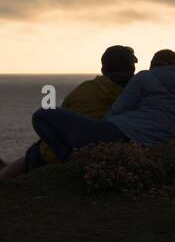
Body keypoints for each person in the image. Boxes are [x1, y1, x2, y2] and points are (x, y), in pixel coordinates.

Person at [31, 49, 175, 161]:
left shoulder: (144, 78)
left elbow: (119, 108)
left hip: (115, 133)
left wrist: (97, 135)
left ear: (157, 65)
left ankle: (67, 159)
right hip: (147, 149)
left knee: (42, 115)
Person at [0, 45, 136, 181]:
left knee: (35, 153)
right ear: (132, 69)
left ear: (103, 69)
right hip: (109, 151)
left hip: (58, 153)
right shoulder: (138, 94)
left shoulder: (83, 89)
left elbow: (60, 119)